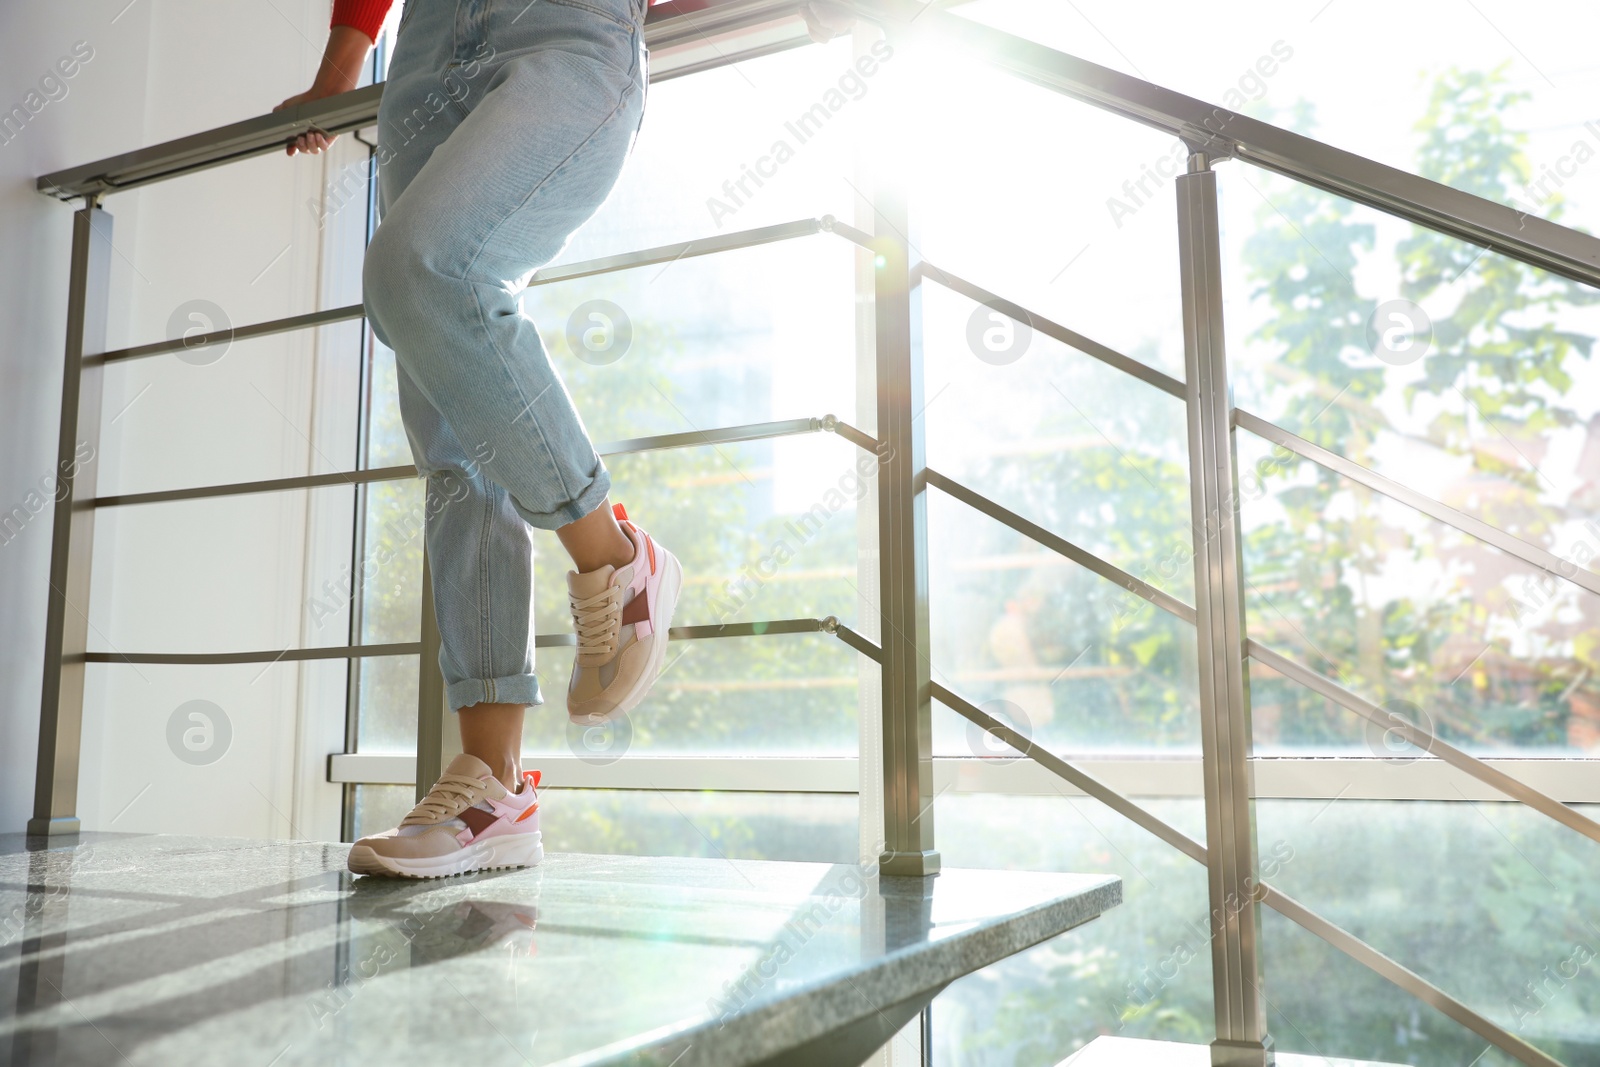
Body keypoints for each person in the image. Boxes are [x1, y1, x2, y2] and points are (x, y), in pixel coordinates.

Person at [276, 0, 676, 878]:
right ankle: (493, 785)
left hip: (569, 25)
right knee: (452, 426)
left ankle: (611, 552)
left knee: (420, 271)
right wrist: (341, 66)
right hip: (423, 46)